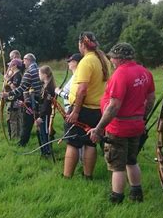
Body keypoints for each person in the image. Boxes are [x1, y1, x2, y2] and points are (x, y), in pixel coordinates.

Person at [87, 43, 155, 203]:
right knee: (132, 160)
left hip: (118, 128)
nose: (110, 59)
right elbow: (151, 99)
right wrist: (142, 117)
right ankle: (136, 193)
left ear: (119, 58)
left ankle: (116, 198)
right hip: (136, 126)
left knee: (117, 165)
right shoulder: (145, 72)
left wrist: (98, 129)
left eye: (112, 57)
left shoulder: (120, 74)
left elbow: (113, 106)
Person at [64, 32, 110, 179]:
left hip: (83, 109)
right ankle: (87, 175)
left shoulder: (86, 61)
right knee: (90, 143)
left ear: (82, 45)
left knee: (73, 142)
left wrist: (76, 111)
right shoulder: (103, 60)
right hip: (98, 109)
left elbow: (82, 89)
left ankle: (67, 176)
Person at [2, 53, 42, 147]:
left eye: (24, 60)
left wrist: (8, 94)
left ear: (28, 60)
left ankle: (22, 143)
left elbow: (21, 88)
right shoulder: (39, 69)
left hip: (32, 100)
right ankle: (44, 140)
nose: (23, 63)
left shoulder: (29, 71)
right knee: (40, 122)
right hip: (40, 100)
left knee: (27, 123)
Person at [35, 65, 56, 157]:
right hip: (43, 113)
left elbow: (46, 105)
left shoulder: (49, 88)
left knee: (45, 133)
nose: (38, 75)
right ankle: (45, 150)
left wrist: (41, 116)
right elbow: (41, 99)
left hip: (46, 114)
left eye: (40, 73)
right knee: (42, 132)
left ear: (45, 75)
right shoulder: (45, 85)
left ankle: (47, 151)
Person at [6, 59, 23, 139]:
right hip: (13, 99)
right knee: (14, 118)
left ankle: (15, 136)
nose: (9, 67)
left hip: (15, 99)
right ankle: (17, 135)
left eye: (11, 65)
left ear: (15, 65)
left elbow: (15, 88)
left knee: (13, 119)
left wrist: (8, 81)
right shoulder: (14, 74)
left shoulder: (18, 75)